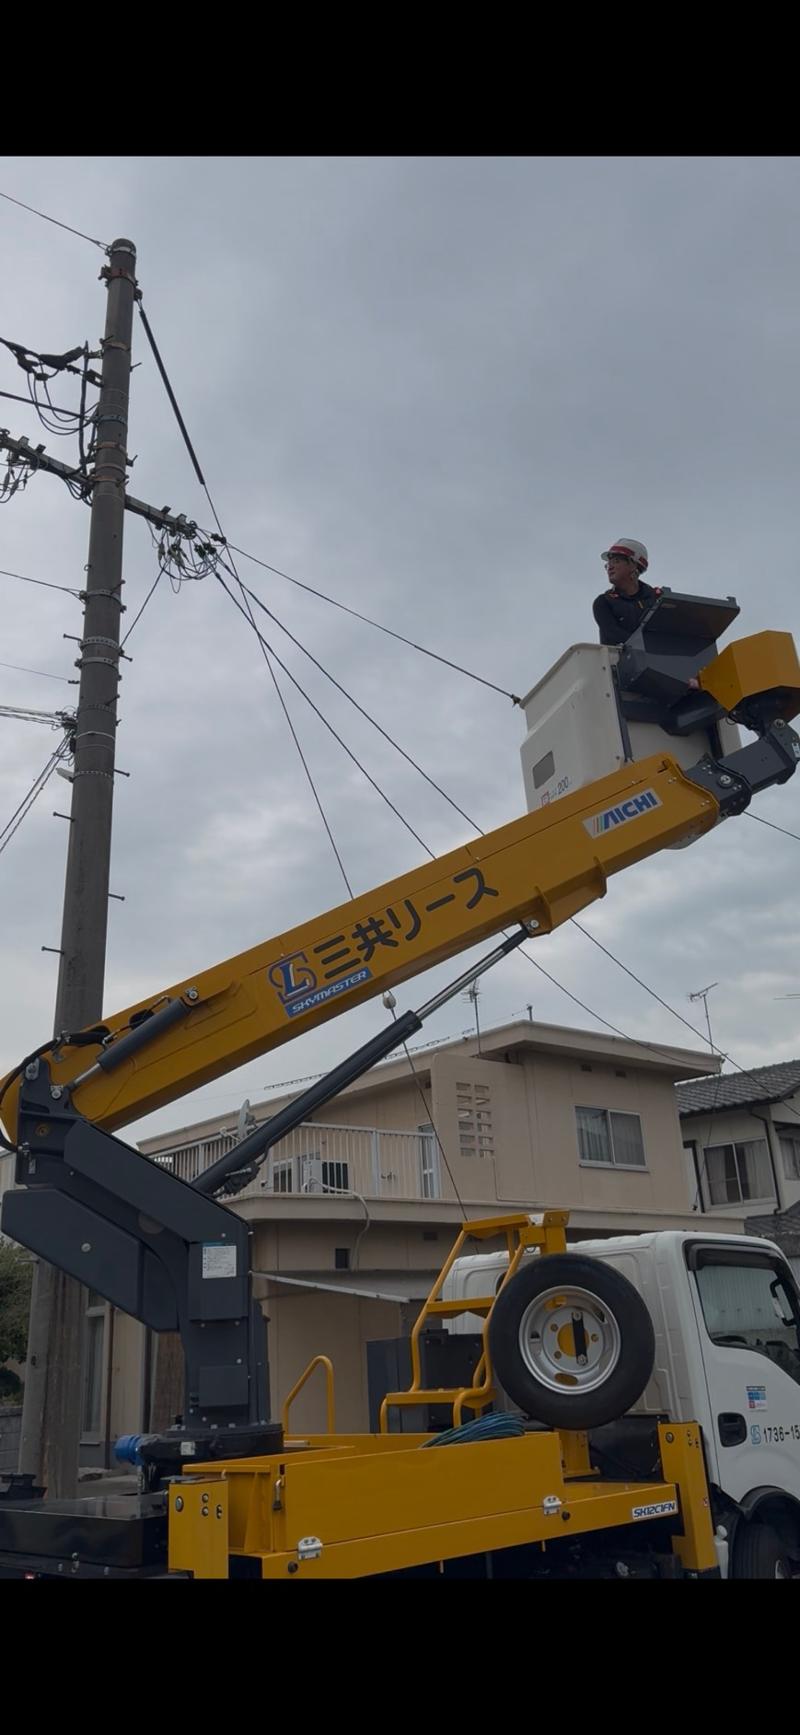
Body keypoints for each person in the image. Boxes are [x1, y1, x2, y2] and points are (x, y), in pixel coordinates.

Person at [593, 538, 659, 646]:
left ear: (634, 565)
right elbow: (613, 634)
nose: (610, 567)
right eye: (608, 564)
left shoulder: (657, 599)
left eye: (616, 561)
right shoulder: (604, 602)